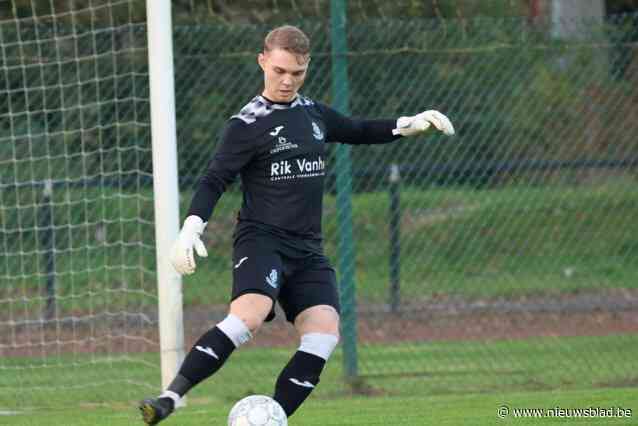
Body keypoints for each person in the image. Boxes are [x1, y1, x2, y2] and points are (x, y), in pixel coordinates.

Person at [139, 24, 454, 425]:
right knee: (249, 315)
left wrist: (406, 124)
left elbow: (357, 130)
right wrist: (192, 227)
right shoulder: (246, 124)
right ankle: (168, 398)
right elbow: (215, 179)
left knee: (324, 333)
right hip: (262, 240)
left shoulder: (314, 115)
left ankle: (273, 418)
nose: (288, 81)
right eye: (280, 71)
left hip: (306, 250)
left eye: (297, 73)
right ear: (263, 62)